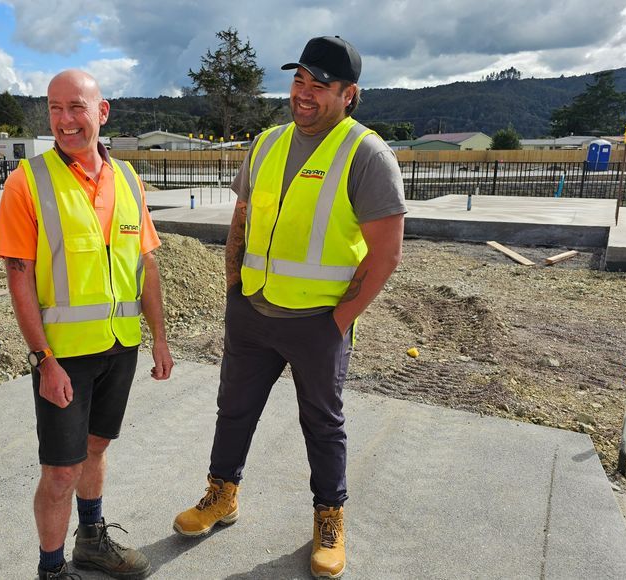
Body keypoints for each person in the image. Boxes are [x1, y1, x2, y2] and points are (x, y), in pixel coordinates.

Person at [173, 36, 407, 579]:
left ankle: (329, 519)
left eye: (318, 84)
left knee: (323, 425)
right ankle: (221, 494)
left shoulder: (365, 153)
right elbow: (241, 219)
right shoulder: (268, 142)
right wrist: (233, 290)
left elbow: (387, 252)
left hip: (317, 324)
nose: (303, 93)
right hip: (252, 313)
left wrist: (338, 324)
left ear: (349, 94)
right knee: (233, 411)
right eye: (298, 79)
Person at [0, 69, 173, 580]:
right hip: (63, 356)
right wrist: (42, 359)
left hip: (119, 347)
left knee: (96, 449)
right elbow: (18, 275)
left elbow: (148, 265)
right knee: (60, 470)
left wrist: (158, 337)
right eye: (54, 109)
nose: (64, 120)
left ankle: (91, 541)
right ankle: (51, 570)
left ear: (102, 111)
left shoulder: (128, 179)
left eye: (75, 107)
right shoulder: (28, 180)